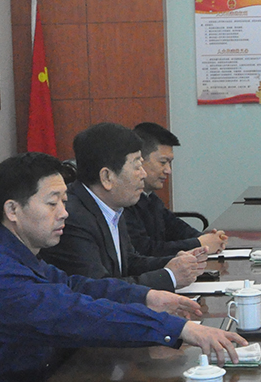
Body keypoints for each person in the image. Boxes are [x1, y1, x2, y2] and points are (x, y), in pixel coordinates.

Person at [0, 153, 245, 382]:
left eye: (64, 201)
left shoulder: (9, 251)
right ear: (13, 210)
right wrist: (177, 329)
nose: (64, 213)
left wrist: (148, 297)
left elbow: (75, 287)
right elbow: (72, 312)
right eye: (52, 203)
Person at [41, 123, 204, 290]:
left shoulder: (111, 206)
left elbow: (129, 262)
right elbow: (98, 288)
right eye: (137, 166)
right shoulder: (72, 219)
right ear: (107, 177)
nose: (143, 174)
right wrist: (168, 276)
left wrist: (174, 262)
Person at [128, 122, 227, 257]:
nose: (168, 170)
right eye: (163, 162)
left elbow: (176, 228)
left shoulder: (150, 197)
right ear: (139, 161)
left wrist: (209, 239)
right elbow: (146, 250)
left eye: (170, 163)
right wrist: (199, 243)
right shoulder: (124, 202)